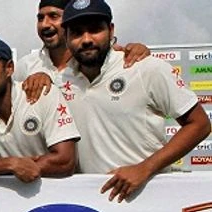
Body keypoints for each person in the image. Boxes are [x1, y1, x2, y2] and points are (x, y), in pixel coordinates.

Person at [59, 0, 211, 201]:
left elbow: (200, 125)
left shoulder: (147, 68)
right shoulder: (59, 82)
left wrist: (144, 168)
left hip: (149, 194)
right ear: (66, 38)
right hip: (93, 200)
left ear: (111, 30)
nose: (86, 39)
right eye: (77, 33)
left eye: (95, 30)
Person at [0, 38, 79, 182]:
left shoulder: (43, 94)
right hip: (7, 200)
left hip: (54, 196)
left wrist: (23, 167)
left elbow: (65, 160)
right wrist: (11, 164)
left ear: (9, 68)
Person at [14, 0, 150, 102]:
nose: (45, 24)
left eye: (53, 16)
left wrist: (138, 52)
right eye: (40, 18)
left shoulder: (94, 60)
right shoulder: (25, 66)